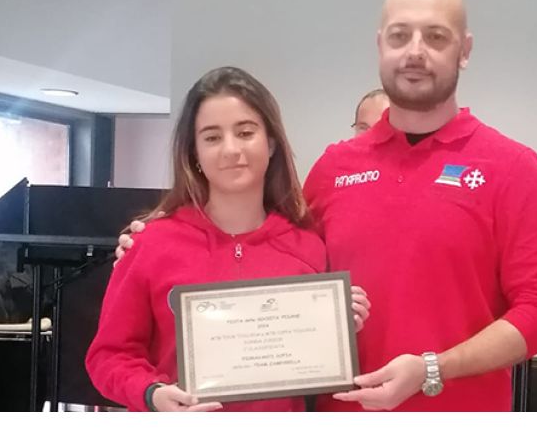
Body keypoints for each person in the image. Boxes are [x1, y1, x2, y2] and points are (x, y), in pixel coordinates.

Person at [116, 0, 537, 412]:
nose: (415, 52)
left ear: (465, 50)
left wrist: (433, 369)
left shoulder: (513, 168)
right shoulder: (335, 168)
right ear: (380, 45)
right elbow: (268, 249)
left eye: (436, 36)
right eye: (400, 36)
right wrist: (152, 242)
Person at [86, 66, 370, 412]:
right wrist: (152, 393)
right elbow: (108, 356)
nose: (230, 149)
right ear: (194, 152)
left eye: (245, 132)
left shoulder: (307, 246)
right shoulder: (150, 243)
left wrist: (337, 326)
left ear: (271, 142)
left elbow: (310, 368)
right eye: (212, 137)